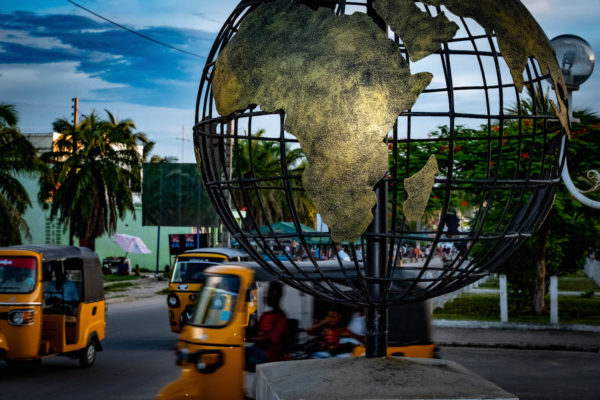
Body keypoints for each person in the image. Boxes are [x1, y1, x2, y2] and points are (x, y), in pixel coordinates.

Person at [245, 281, 288, 366]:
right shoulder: (265, 315)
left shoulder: (281, 318)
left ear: (275, 296)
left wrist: (248, 339)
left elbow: (269, 339)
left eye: (269, 293)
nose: (266, 296)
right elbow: (253, 329)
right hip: (257, 349)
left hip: (268, 355)